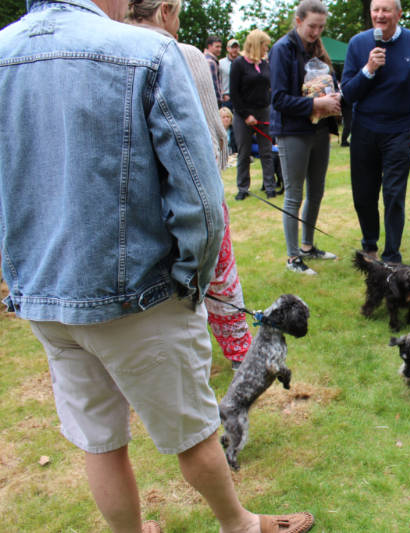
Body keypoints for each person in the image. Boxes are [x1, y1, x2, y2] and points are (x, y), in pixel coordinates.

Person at [0, 1, 315, 532]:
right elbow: (199, 192)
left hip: (45, 295)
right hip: (140, 297)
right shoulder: (146, 51)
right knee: (192, 433)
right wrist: (192, 281)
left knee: (100, 440)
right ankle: (237, 525)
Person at [127, 0, 254, 370]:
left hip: (134, 200)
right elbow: (209, 132)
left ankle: (165, 361)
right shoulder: (183, 54)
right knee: (216, 275)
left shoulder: (107, 50)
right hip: (190, 191)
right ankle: (238, 353)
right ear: (165, 10)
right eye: (179, 15)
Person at [340, 0, 410, 263]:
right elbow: (347, 93)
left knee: (394, 195)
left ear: (399, 14)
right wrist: (368, 69)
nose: (380, 15)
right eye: (375, 10)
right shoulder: (358, 44)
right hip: (364, 129)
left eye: (386, 10)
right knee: (363, 194)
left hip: (399, 130)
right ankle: (369, 244)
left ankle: (392, 254)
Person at [270, 0, 340, 275]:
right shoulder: (281, 50)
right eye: (312, 26)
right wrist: (315, 105)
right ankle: (293, 258)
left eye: (321, 27)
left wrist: (332, 98)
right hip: (292, 132)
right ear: (298, 21)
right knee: (294, 195)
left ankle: (308, 246)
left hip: (320, 130)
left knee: (317, 191)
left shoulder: (318, 49)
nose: (316, 32)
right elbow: (278, 99)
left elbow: (328, 83)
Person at [230, 29, 276, 200]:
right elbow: (234, 93)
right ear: (257, 44)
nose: (267, 48)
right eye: (265, 45)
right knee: (244, 152)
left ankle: (269, 186)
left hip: (264, 111)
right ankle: (243, 188)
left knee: (267, 151)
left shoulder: (265, 64)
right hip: (244, 114)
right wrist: (246, 115)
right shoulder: (239, 64)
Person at [219, 38, 241, 107]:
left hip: (240, 97)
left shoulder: (243, 62)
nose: (235, 50)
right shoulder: (221, 63)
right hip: (227, 97)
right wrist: (223, 94)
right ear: (228, 48)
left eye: (236, 47)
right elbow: (218, 80)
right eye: (232, 47)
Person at [205, 35, 224, 107]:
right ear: (209, 46)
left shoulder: (204, 58)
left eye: (220, 47)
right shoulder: (211, 62)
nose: (220, 49)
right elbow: (214, 84)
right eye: (217, 47)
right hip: (213, 101)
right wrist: (219, 100)